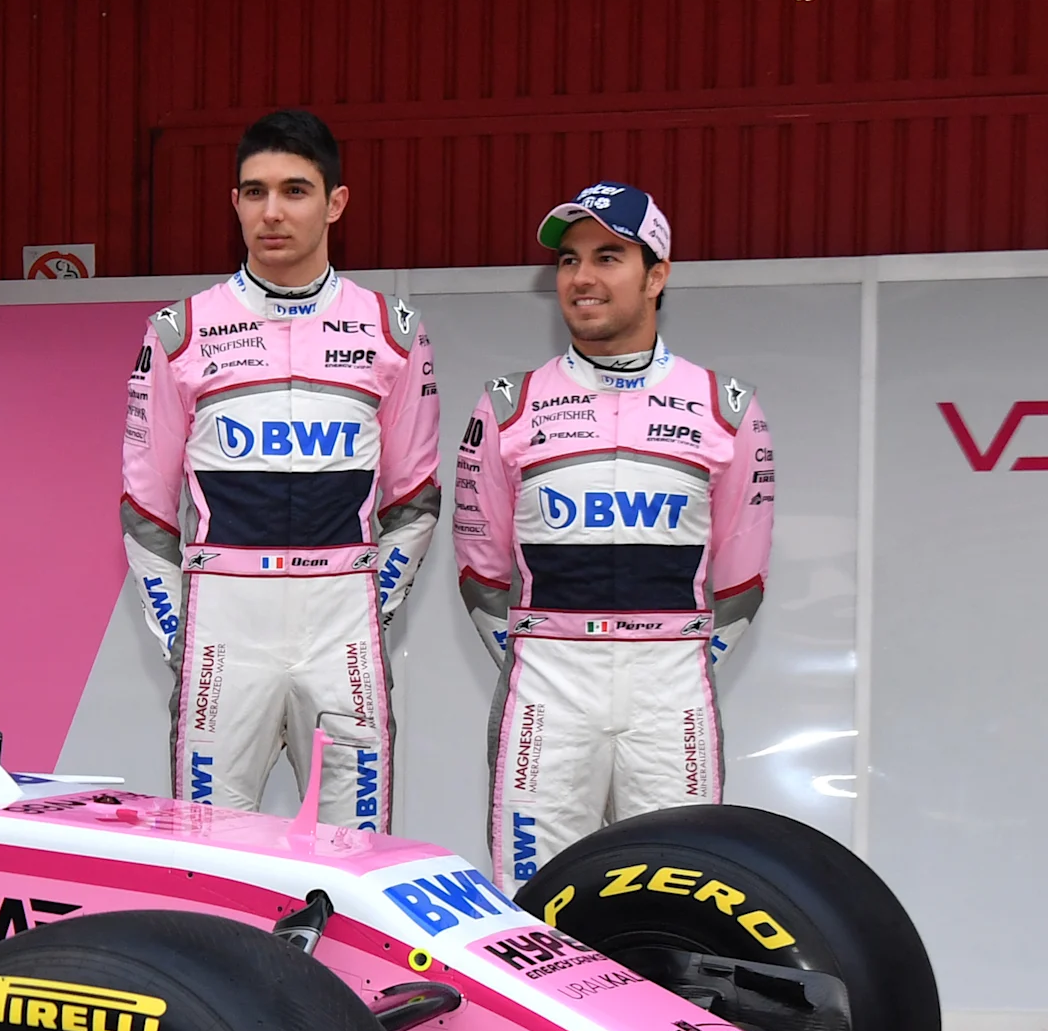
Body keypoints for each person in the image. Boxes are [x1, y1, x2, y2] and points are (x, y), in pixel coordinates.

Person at [119, 108, 441, 830]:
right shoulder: (180, 331)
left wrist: (368, 605)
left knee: (353, 851)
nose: (272, 211)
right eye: (254, 191)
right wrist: (185, 628)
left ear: (335, 203)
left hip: (342, 622)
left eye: (295, 190)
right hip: (224, 621)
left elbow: (415, 499)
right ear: (233, 202)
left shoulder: (394, 331)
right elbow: (145, 508)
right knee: (213, 851)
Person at [454, 184, 774, 891]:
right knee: (533, 898)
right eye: (569, 262)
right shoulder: (507, 406)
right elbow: (480, 569)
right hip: (548, 680)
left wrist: (681, 660)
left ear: (657, 274)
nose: (582, 279)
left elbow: (744, 579)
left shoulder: (726, 407)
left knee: (682, 889)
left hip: (672, 686)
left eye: (609, 256)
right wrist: (538, 657)